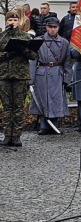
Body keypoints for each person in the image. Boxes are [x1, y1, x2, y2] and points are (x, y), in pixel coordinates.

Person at [0, 11, 38, 148]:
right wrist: (7, 54)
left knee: (18, 106)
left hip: (21, 76)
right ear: (6, 22)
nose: (12, 23)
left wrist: (22, 50)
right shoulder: (2, 37)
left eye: (15, 20)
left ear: (19, 22)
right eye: (10, 20)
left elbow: (33, 55)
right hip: (4, 75)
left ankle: (16, 135)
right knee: (7, 106)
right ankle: (7, 135)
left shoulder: (25, 36)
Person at [30, 16, 72, 134]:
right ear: (46, 27)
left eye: (55, 27)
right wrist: (31, 80)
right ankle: (44, 126)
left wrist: (67, 79)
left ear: (58, 28)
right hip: (42, 73)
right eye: (50, 27)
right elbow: (33, 61)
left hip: (57, 73)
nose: (52, 29)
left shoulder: (64, 42)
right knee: (43, 98)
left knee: (56, 99)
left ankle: (54, 125)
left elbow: (67, 63)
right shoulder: (38, 41)